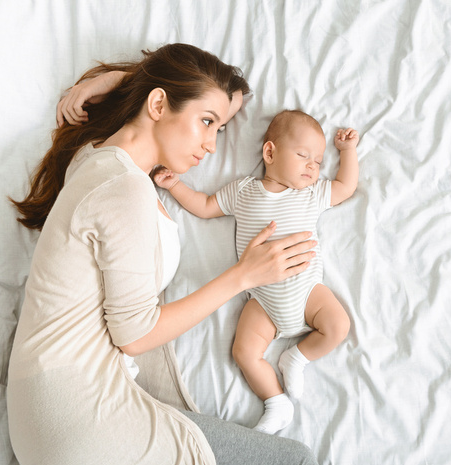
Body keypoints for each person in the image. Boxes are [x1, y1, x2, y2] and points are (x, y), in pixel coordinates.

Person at [7, 43, 318, 465]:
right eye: (206, 123)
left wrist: (120, 82)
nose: (210, 145)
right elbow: (135, 336)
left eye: (220, 130)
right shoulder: (124, 191)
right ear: (157, 103)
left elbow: (222, 93)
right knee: (294, 460)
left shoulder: (93, 159)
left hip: (41, 416)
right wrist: (243, 276)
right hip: (80, 418)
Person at [152, 110, 360, 434]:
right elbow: (206, 206)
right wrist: (175, 185)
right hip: (262, 299)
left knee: (338, 325)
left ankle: (297, 358)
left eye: (318, 161)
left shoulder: (311, 193)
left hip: (307, 291)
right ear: (270, 152)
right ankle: (276, 401)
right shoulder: (243, 192)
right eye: (303, 155)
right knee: (244, 352)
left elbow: (346, 186)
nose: (312, 166)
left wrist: (347, 152)